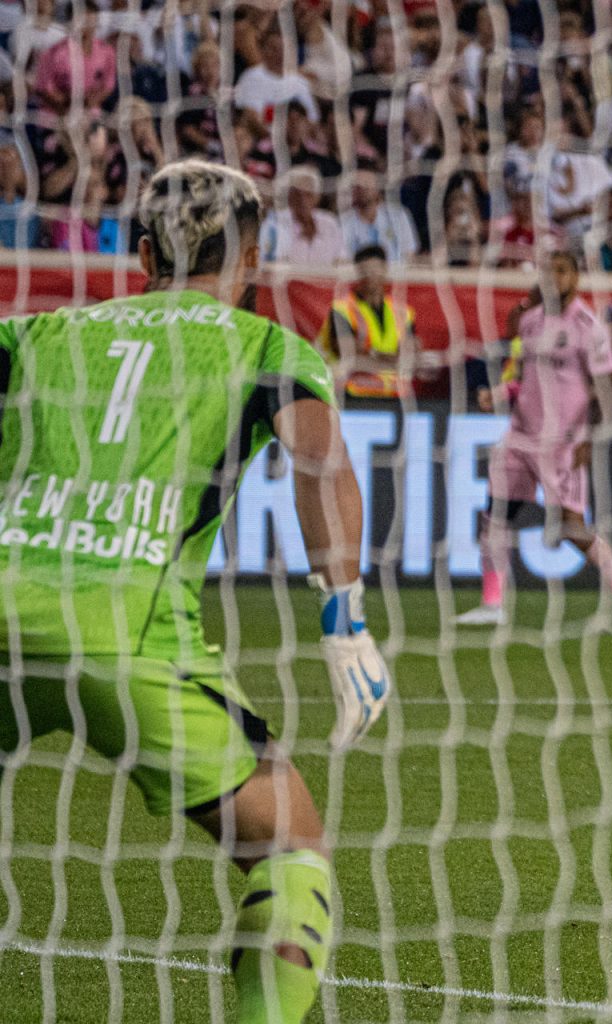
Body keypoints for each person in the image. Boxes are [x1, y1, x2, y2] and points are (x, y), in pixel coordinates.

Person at [0, 159, 389, 1022]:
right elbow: (320, 464)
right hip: (125, 632)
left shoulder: (38, 334)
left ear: (142, 252)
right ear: (253, 259)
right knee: (292, 847)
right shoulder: (264, 346)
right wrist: (343, 619)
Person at [457, 249, 612, 629]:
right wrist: (498, 394)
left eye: (561, 271)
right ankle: (492, 604)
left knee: (571, 528)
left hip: (564, 442)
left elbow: (604, 389)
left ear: (575, 277)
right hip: (521, 435)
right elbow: (525, 377)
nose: (554, 278)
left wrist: (588, 440)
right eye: (548, 270)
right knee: (495, 516)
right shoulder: (530, 321)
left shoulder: (588, 326)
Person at [317, 244, 419, 399]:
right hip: (351, 391)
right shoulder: (341, 309)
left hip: (392, 393)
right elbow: (348, 355)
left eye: (375, 269)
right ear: (357, 274)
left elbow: (409, 356)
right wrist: (390, 358)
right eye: (364, 270)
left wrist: (370, 353)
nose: (370, 275)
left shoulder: (404, 312)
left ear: (385, 270)